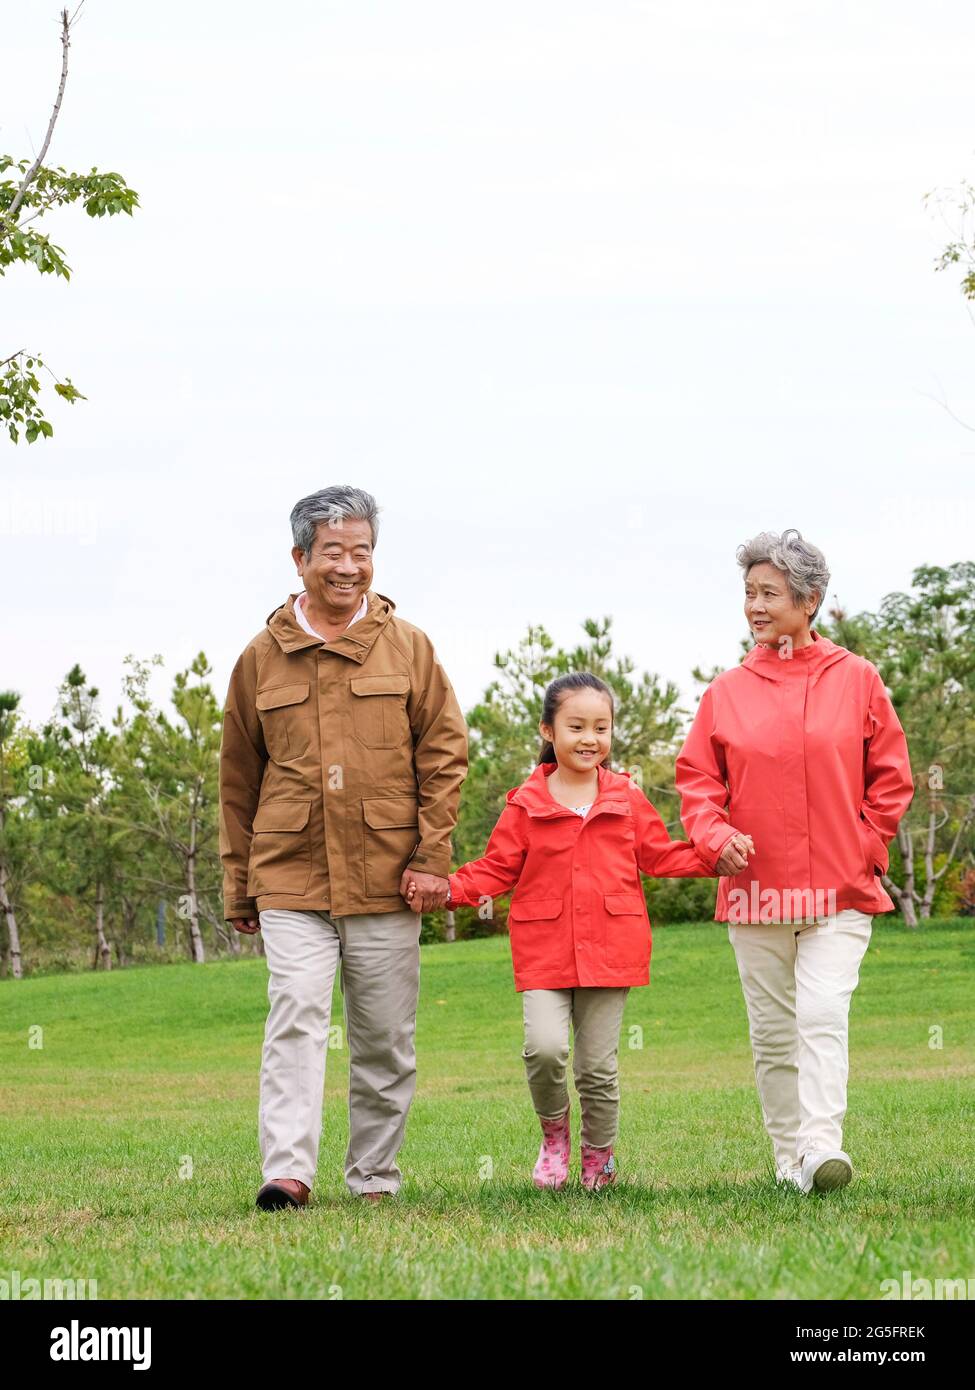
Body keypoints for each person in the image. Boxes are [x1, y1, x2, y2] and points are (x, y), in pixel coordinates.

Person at [219, 485, 468, 1209]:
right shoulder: (260, 658)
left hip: (388, 874)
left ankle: (374, 1178)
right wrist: (240, 885)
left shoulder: (409, 647)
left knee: (383, 1038)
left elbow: (444, 755)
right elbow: (238, 778)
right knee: (295, 1010)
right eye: (333, 551)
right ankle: (287, 1173)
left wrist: (430, 857)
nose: (350, 566)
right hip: (290, 873)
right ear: (300, 559)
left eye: (362, 551)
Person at [409, 672, 743, 1190]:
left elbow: (659, 855)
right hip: (543, 948)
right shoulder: (525, 803)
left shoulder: (625, 796)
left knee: (597, 1068)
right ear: (548, 730)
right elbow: (496, 870)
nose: (590, 739)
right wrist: (445, 889)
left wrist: (712, 858)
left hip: (613, 947)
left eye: (601, 727)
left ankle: (598, 1158)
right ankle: (555, 1137)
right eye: (576, 726)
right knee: (544, 1049)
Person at [675, 529, 914, 1194]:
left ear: (808, 601)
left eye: (768, 593)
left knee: (820, 1015)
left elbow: (890, 779)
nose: (754, 605)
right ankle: (788, 1159)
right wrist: (714, 836)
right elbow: (698, 784)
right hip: (755, 897)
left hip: (839, 892)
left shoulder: (857, 680)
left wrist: (862, 846)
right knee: (773, 1034)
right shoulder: (725, 692)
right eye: (748, 593)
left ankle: (820, 1148)